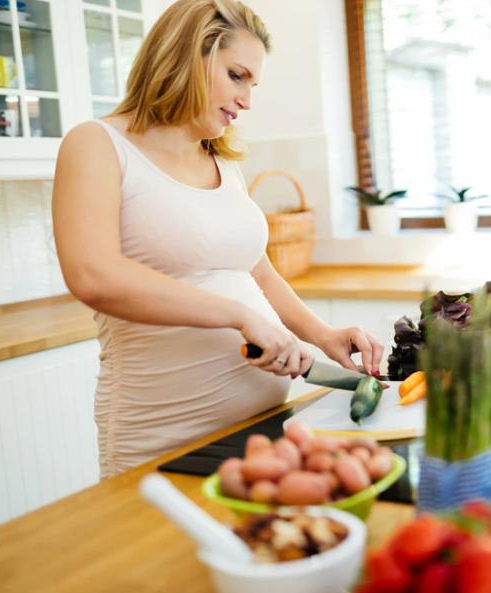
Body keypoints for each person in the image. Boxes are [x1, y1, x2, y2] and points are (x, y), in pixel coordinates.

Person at [52, 0, 383, 477]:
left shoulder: (222, 160)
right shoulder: (97, 145)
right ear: (188, 56)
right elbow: (93, 276)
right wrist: (239, 317)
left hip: (261, 428)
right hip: (164, 438)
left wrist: (321, 334)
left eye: (253, 83)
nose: (247, 99)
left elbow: (257, 270)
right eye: (237, 75)